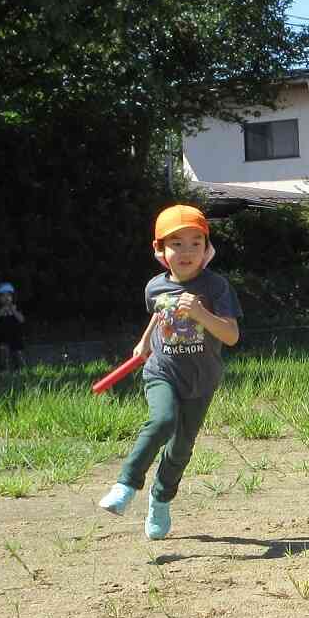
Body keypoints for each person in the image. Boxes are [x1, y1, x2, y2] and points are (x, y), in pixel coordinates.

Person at [97, 205, 242, 542]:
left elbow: (232, 336)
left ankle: (160, 500)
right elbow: (159, 314)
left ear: (207, 249)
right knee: (162, 421)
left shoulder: (216, 287)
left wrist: (201, 313)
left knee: (180, 449)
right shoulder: (154, 288)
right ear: (160, 250)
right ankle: (126, 484)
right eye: (176, 244)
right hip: (162, 371)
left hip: (202, 381)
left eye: (196, 242)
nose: (187, 251)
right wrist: (145, 341)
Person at [0, 282, 27, 373]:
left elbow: (21, 319)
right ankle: (3, 371)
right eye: (3, 296)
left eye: (9, 295)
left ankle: (19, 370)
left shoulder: (16, 308)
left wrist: (13, 310)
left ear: (13, 297)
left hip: (16, 337)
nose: (6, 298)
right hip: (2, 337)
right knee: (3, 354)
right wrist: (3, 310)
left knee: (17, 354)